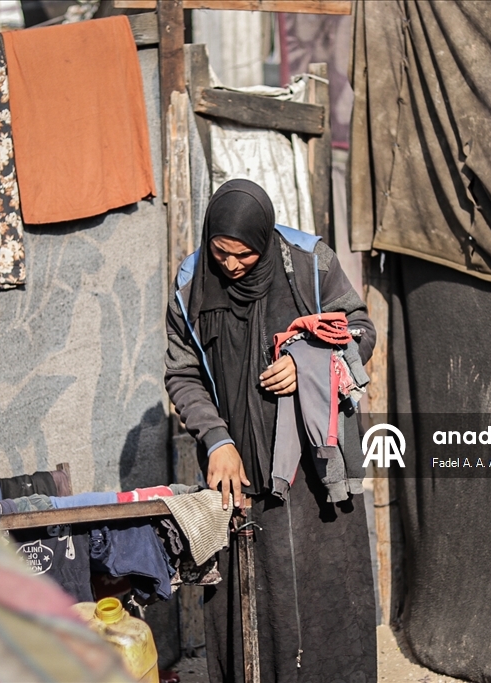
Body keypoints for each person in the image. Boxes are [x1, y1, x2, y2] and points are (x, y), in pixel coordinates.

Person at [165, 179, 377, 683]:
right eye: (222, 252)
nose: (232, 266)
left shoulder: (309, 263)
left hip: (311, 467)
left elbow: (360, 331)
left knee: (322, 587)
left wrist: (310, 366)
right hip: (235, 469)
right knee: (247, 597)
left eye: (245, 254)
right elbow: (183, 372)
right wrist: (217, 441)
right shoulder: (191, 283)